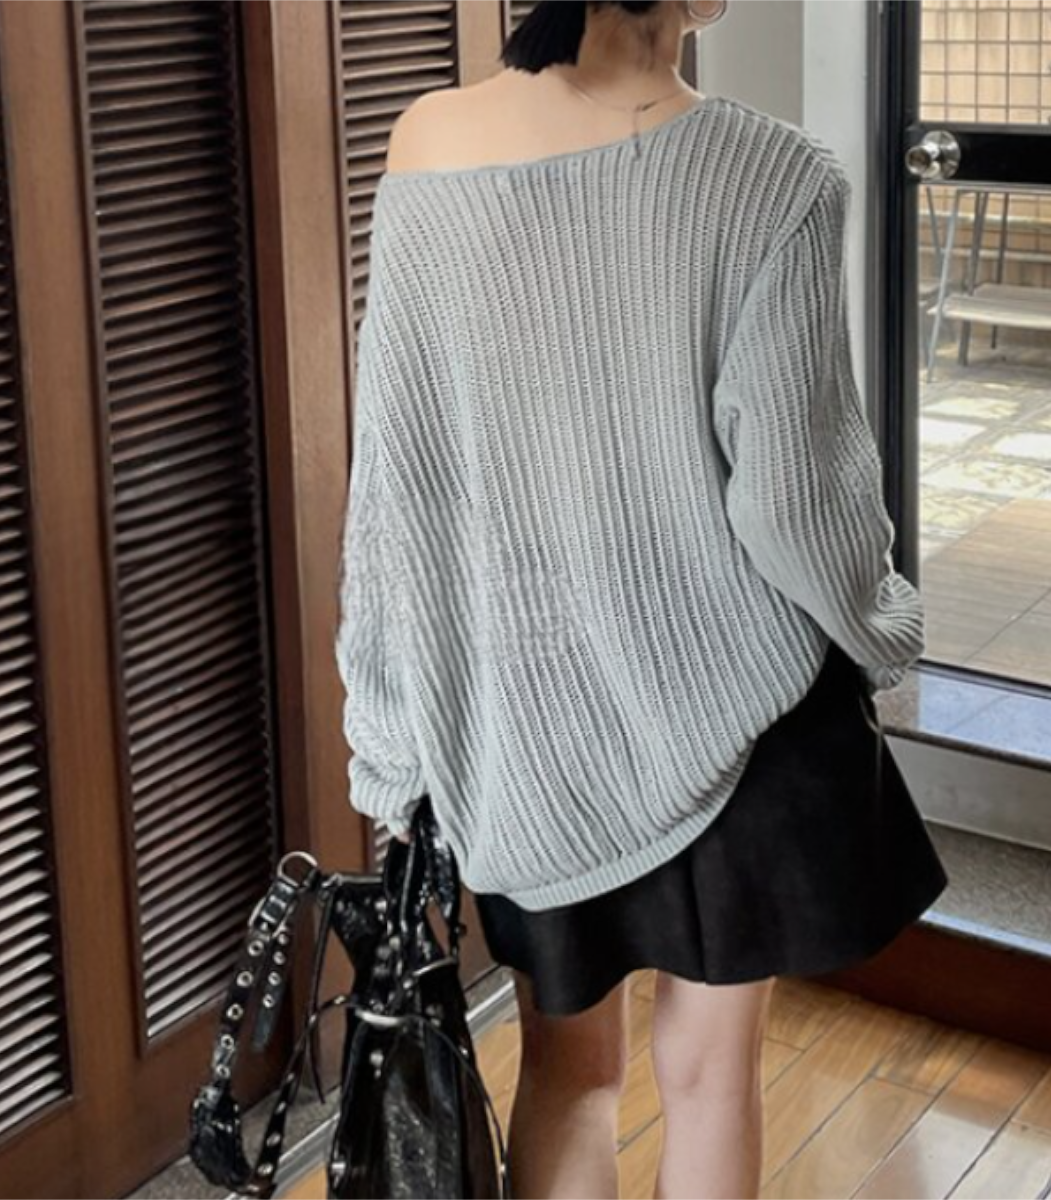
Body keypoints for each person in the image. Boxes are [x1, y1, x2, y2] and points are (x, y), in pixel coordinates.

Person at [333, 0, 949, 1196]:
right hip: (740, 720)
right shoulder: (774, 174)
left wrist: (392, 740)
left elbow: (397, 487)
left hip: (526, 730)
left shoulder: (427, 141)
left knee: (570, 1076)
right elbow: (799, 494)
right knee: (710, 1078)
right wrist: (882, 630)